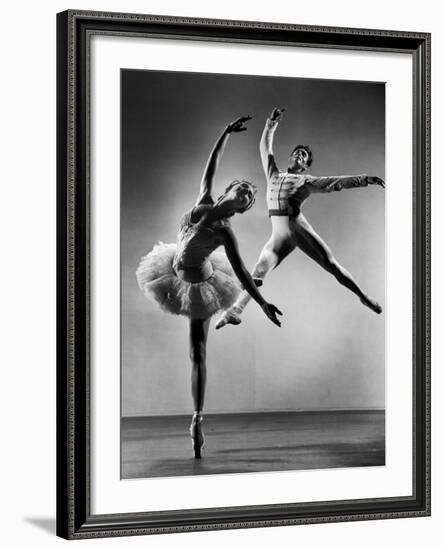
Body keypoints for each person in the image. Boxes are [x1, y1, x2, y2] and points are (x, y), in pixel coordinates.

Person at [136, 116, 282, 459]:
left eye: (249, 197)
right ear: (229, 190)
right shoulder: (202, 200)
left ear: (242, 209)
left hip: (201, 285)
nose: (246, 194)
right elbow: (210, 166)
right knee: (194, 351)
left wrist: (261, 304)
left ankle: (197, 417)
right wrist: (224, 133)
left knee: (197, 352)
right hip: (172, 272)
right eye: (243, 188)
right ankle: (196, 416)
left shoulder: (223, 233)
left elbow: (244, 272)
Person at [216, 107, 385, 330]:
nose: (299, 154)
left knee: (331, 265)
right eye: (297, 152)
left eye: (303, 155)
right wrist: (271, 124)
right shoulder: (274, 174)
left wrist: (365, 179)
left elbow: (336, 182)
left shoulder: (305, 181)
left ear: (305, 165)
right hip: (278, 234)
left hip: (297, 227)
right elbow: (265, 148)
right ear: (290, 157)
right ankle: (235, 311)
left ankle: (362, 296)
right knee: (258, 271)